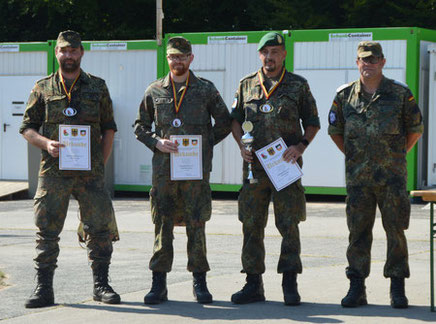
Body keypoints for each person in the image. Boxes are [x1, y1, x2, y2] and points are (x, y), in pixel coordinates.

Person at [20, 30, 120, 308]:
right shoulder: (42, 88)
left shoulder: (97, 87)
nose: (69, 56)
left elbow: (109, 128)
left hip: (91, 173)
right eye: (64, 51)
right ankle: (44, 289)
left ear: (81, 53)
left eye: (73, 51)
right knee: (46, 230)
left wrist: (100, 163)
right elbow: (27, 128)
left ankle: (101, 285)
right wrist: (45, 143)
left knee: (99, 229)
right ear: (57, 54)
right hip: (53, 172)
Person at [134, 36, 232, 304]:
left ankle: (199, 281)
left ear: (191, 58)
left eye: (182, 56)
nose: (177, 61)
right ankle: (158, 283)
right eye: (172, 56)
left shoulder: (205, 90)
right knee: (162, 224)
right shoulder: (154, 91)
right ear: (167, 59)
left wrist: (203, 146)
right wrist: (156, 143)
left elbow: (225, 121)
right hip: (164, 173)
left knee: (196, 223)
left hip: (195, 173)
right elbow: (139, 127)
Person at [328, 41, 424, 309]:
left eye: (373, 60)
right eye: (363, 60)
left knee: (396, 232)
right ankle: (356, 287)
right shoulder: (344, 95)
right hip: (358, 180)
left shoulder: (400, 94)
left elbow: (415, 129)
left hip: (392, 179)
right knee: (357, 234)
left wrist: (395, 155)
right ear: (357, 63)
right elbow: (336, 131)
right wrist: (354, 155)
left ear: (382, 62)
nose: (367, 64)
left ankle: (397, 287)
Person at [230, 32, 320, 305]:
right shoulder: (246, 85)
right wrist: (240, 146)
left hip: (286, 168)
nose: (269, 57)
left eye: (275, 52)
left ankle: (289, 282)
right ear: (260, 55)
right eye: (265, 52)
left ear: (283, 55)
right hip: (254, 170)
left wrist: (301, 146)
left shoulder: (298, 86)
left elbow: (313, 122)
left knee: (289, 224)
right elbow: (235, 121)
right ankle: (253, 283)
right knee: (251, 225)